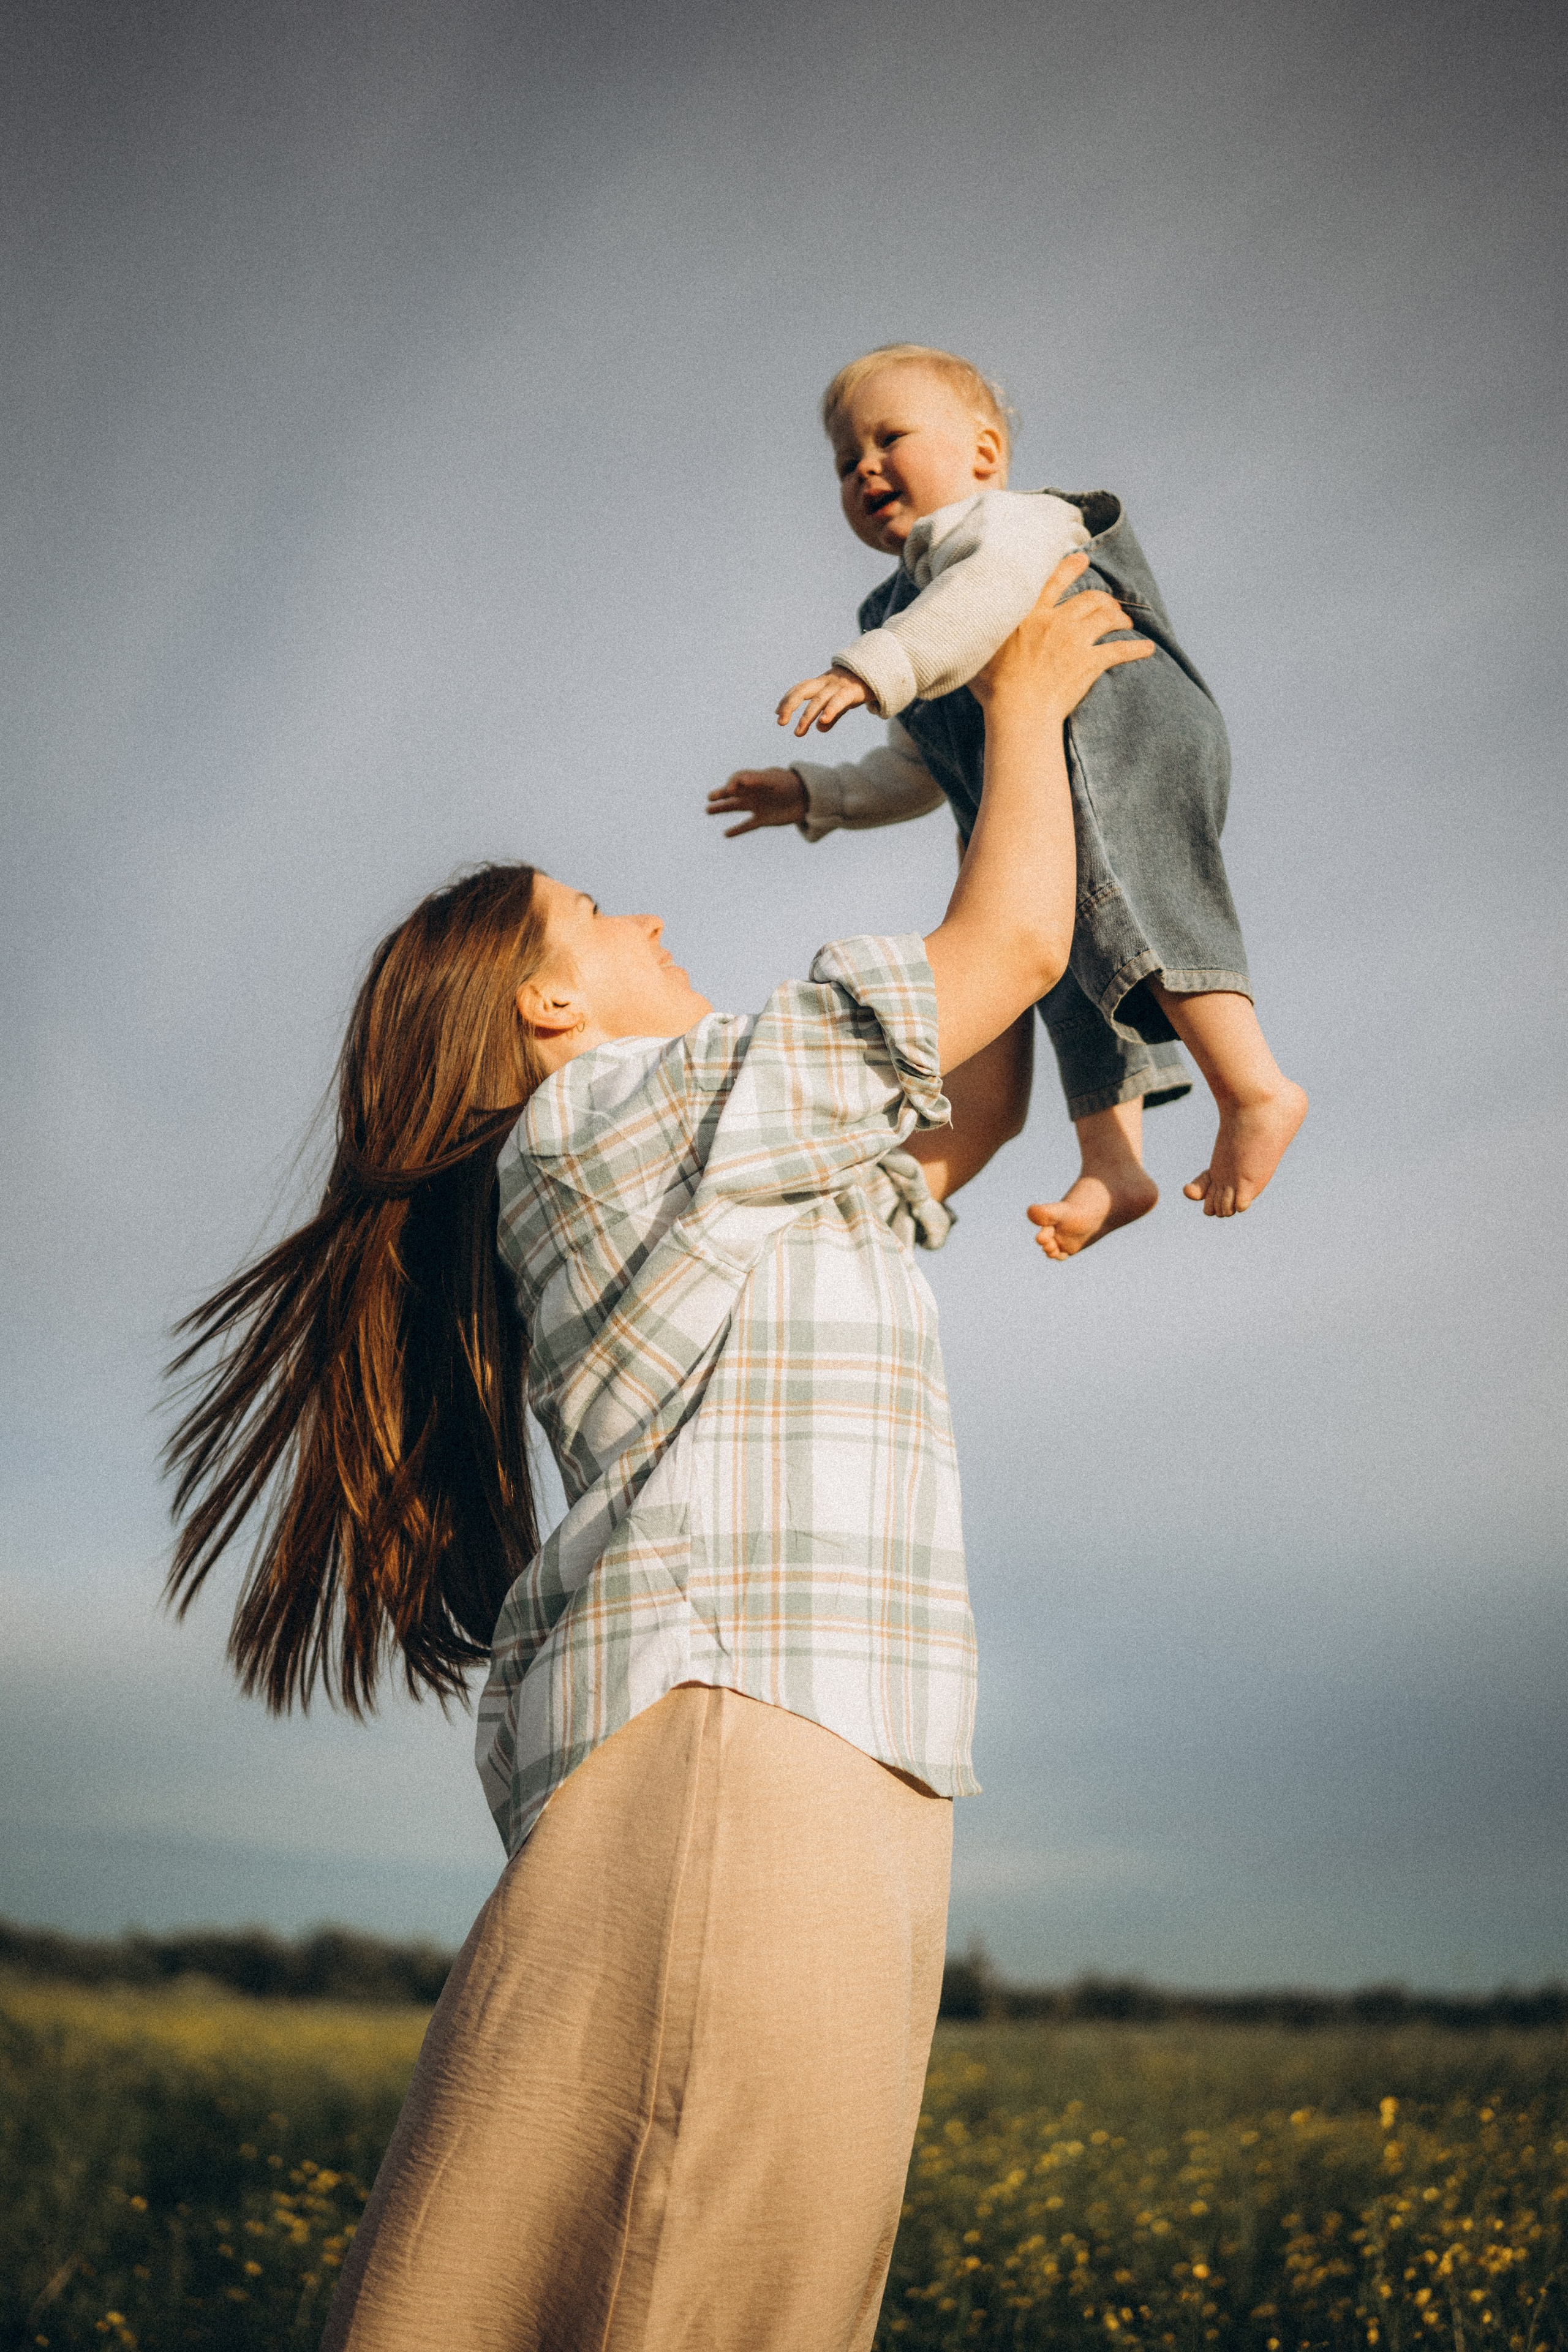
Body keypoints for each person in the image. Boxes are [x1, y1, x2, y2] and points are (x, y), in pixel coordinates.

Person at [163, 559, 1148, 2352]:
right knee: (691, 2294)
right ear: (549, 1013)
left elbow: (978, 1082)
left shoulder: (729, 1150)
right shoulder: (609, 1120)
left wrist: (979, 761)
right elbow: (998, 961)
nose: (657, 927)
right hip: (747, 1743)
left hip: (819, 1741)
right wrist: (1014, 706)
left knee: (721, 2294)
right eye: (603, 916)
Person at [708, 342, 1308, 1257]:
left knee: (1132, 902)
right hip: (1036, 776)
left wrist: (878, 670)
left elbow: (986, 599)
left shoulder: (1012, 524)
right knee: (1064, 965)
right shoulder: (901, 610)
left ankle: (1255, 1084)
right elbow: (915, 769)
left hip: (1117, 726)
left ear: (984, 453)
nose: (865, 466)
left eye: (889, 436)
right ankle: (1114, 1162)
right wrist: (816, 792)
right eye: (844, 460)